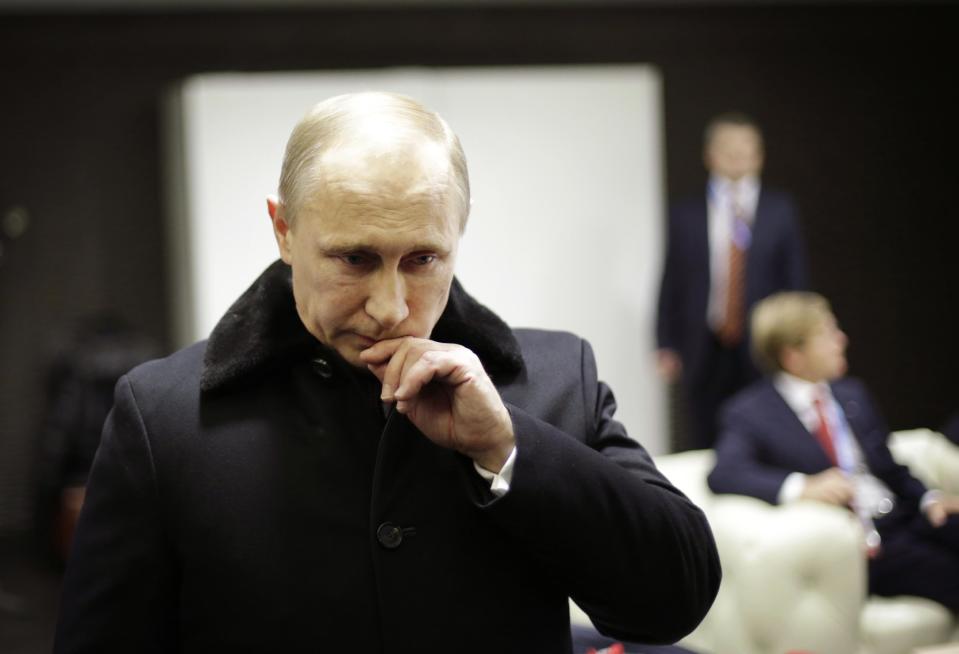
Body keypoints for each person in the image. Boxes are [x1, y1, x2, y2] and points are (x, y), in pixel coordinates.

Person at [54, 92, 720, 652]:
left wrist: (505, 447)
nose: (391, 306)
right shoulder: (163, 415)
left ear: (459, 231)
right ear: (282, 230)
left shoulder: (551, 378)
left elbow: (674, 599)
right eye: (354, 259)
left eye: (422, 259)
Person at [708, 291, 959, 611]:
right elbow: (725, 472)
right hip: (862, 542)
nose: (842, 340)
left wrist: (930, 499)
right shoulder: (750, 412)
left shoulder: (851, 394)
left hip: (906, 518)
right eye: (827, 334)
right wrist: (802, 487)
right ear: (792, 355)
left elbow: (890, 467)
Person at [656, 112, 808, 451]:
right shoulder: (687, 212)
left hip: (762, 340)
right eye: (729, 148)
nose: (738, 155)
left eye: (746, 148)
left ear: (760, 155)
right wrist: (664, 340)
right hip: (703, 340)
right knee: (703, 430)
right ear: (710, 154)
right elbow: (671, 278)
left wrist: (797, 337)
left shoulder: (779, 209)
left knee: (766, 424)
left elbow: (795, 279)